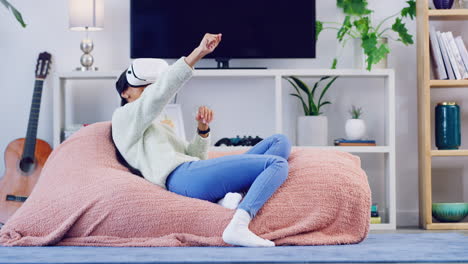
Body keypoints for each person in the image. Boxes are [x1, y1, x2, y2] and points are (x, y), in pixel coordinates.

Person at [111, 33, 291, 247]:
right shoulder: (123, 118)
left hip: (194, 171)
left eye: (152, 87)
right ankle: (239, 225)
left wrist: (202, 130)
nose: (150, 93)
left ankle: (230, 198)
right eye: (143, 89)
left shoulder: (158, 124)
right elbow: (157, 96)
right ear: (125, 92)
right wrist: (198, 53)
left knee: (279, 142)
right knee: (277, 164)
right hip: (180, 178)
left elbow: (196, 156)